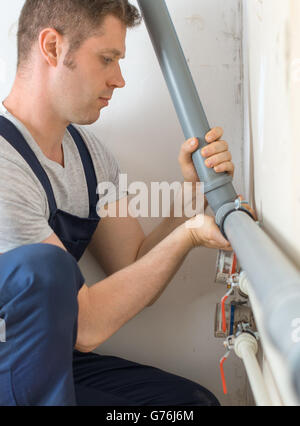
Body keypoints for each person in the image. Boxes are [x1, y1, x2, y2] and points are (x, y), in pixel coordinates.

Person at [0, 0, 236, 406]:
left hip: (54, 359)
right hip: (10, 365)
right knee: (48, 267)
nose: (119, 79)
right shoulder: (4, 164)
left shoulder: (91, 157)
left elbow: (134, 264)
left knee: (190, 406)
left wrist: (190, 199)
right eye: (107, 59)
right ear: (53, 48)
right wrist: (188, 238)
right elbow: (87, 325)